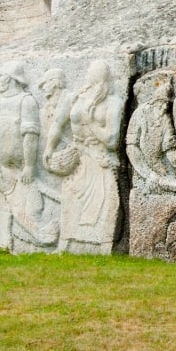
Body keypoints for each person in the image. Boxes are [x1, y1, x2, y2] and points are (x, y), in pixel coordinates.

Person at [44, 60, 124, 253]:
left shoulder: (113, 102)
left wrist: (91, 123)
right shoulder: (76, 98)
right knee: (71, 199)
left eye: (90, 71)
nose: (87, 73)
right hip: (78, 157)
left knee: (103, 204)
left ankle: (103, 247)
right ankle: (65, 245)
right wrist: (49, 148)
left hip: (100, 158)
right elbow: (57, 123)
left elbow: (112, 140)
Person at [0, 60, 53, 250]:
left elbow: (30, 135)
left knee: (32, 206)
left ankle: (37, 239)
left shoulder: (26, 101)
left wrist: (29, 165)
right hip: (1, 166)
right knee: (2, 205)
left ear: (12, 78)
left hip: (22, 169)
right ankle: (4, 241)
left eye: (1, 75)